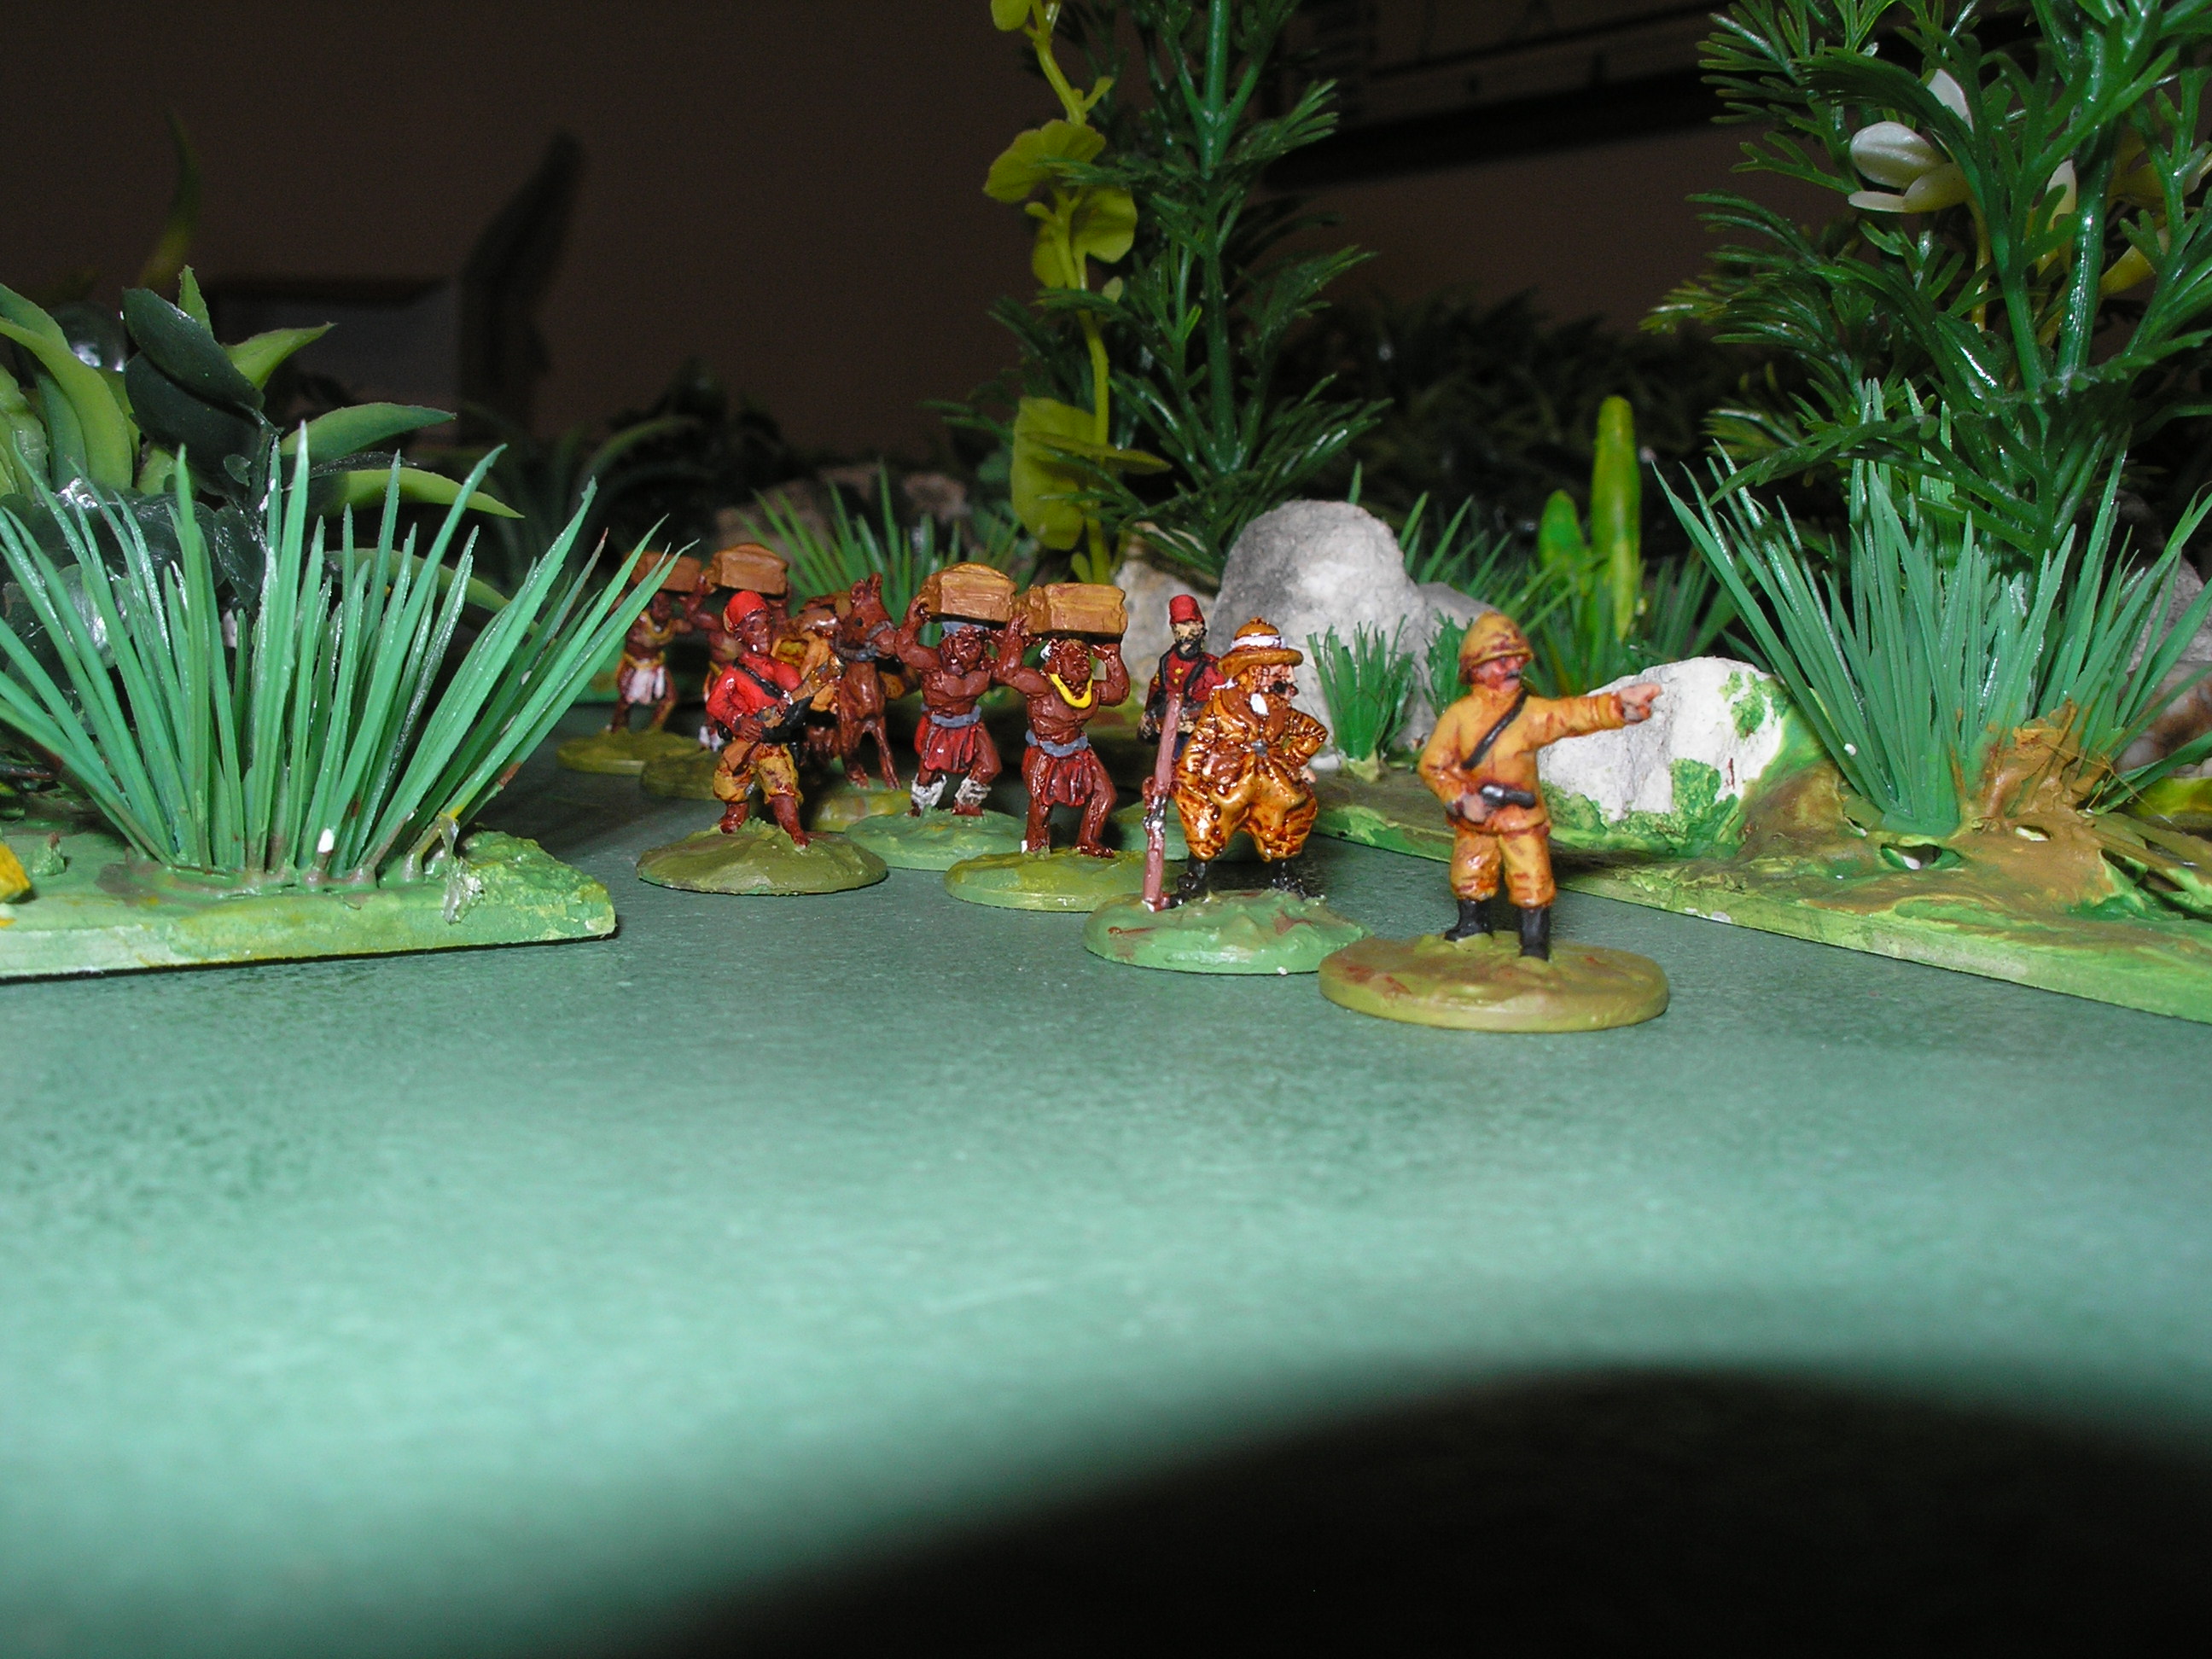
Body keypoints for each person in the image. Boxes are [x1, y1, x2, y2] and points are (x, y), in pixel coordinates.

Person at [1417, 612, 1661, 959]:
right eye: (1501, 661)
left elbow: (1573, 714)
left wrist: (1619, 706)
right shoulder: (1459, 716)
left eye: (1516, 659)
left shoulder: (1530, 713)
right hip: (1477, 818)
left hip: (1521, 817)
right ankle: (1472, 927)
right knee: (1469, 872)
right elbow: (1432, 765)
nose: (1513, 668)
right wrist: (1460, 799)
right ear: (1477, 668)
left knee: (1532, 879)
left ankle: (1533, 946)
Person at [1159, 618, 1329, 904]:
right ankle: (1195, 881)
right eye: (1281, 668)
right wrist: (1187, 776)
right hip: (1228, 782)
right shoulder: (1221, 704)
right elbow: (1200, 742)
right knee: (1207, 823)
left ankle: (1284, 878)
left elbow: (1314, 732)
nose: (1290, 676)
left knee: (1288, 821)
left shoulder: (1280, 707)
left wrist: (1290, 760)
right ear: (1256, 669)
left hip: (1272, 784)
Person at [991, 614, 1130, 854]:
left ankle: (1088, 841)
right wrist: (1014, 637)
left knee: (1105, 794)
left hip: (1079, 750)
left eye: (1083, 655)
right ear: (1055, 661)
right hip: (1045, 752)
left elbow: (1119, 692)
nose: (1080, 661)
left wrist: (1112, 658)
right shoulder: (1042, 687)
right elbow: (1008, 674)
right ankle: (1035, 846)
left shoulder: (1092, 690)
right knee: (1042, 804)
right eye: (1071, 655)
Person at [702, 591, 816, 845]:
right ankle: (735, 817)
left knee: (782, 787)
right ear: (739, 635)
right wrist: (739, 721)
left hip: (772, 746)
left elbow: (799, 698)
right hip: (743, 743)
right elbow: (716, 703)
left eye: (766, 624)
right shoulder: (733, 673)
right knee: (729, 782)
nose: (763, 632)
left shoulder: (783, 670)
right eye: (753, 627)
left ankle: (792, 828)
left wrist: (792, 708)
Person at [891, 597, 1002, 816]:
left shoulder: (985, 666)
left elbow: (1009, 671)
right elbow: (905, 649)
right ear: (949, 639)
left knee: (990, 766)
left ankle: (966, 805)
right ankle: (918, 808)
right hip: (940, 725)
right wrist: (913, 620)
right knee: (929, 771)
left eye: (976, 638)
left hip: (972, 724)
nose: (969, 643)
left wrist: (1005, 638)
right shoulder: (933, 663)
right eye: (962, 637)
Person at [1139, 594, 1225, 752]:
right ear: (1174, 628)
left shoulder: (1211, 667)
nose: (1193, 629)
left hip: (1198, 734)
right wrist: (1149, 714)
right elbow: (1156, 689)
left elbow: (1219, 702)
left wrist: (1196, 719)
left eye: (1196, 623)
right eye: (1184, 624)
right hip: (1169, 728)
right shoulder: (1167, 661)